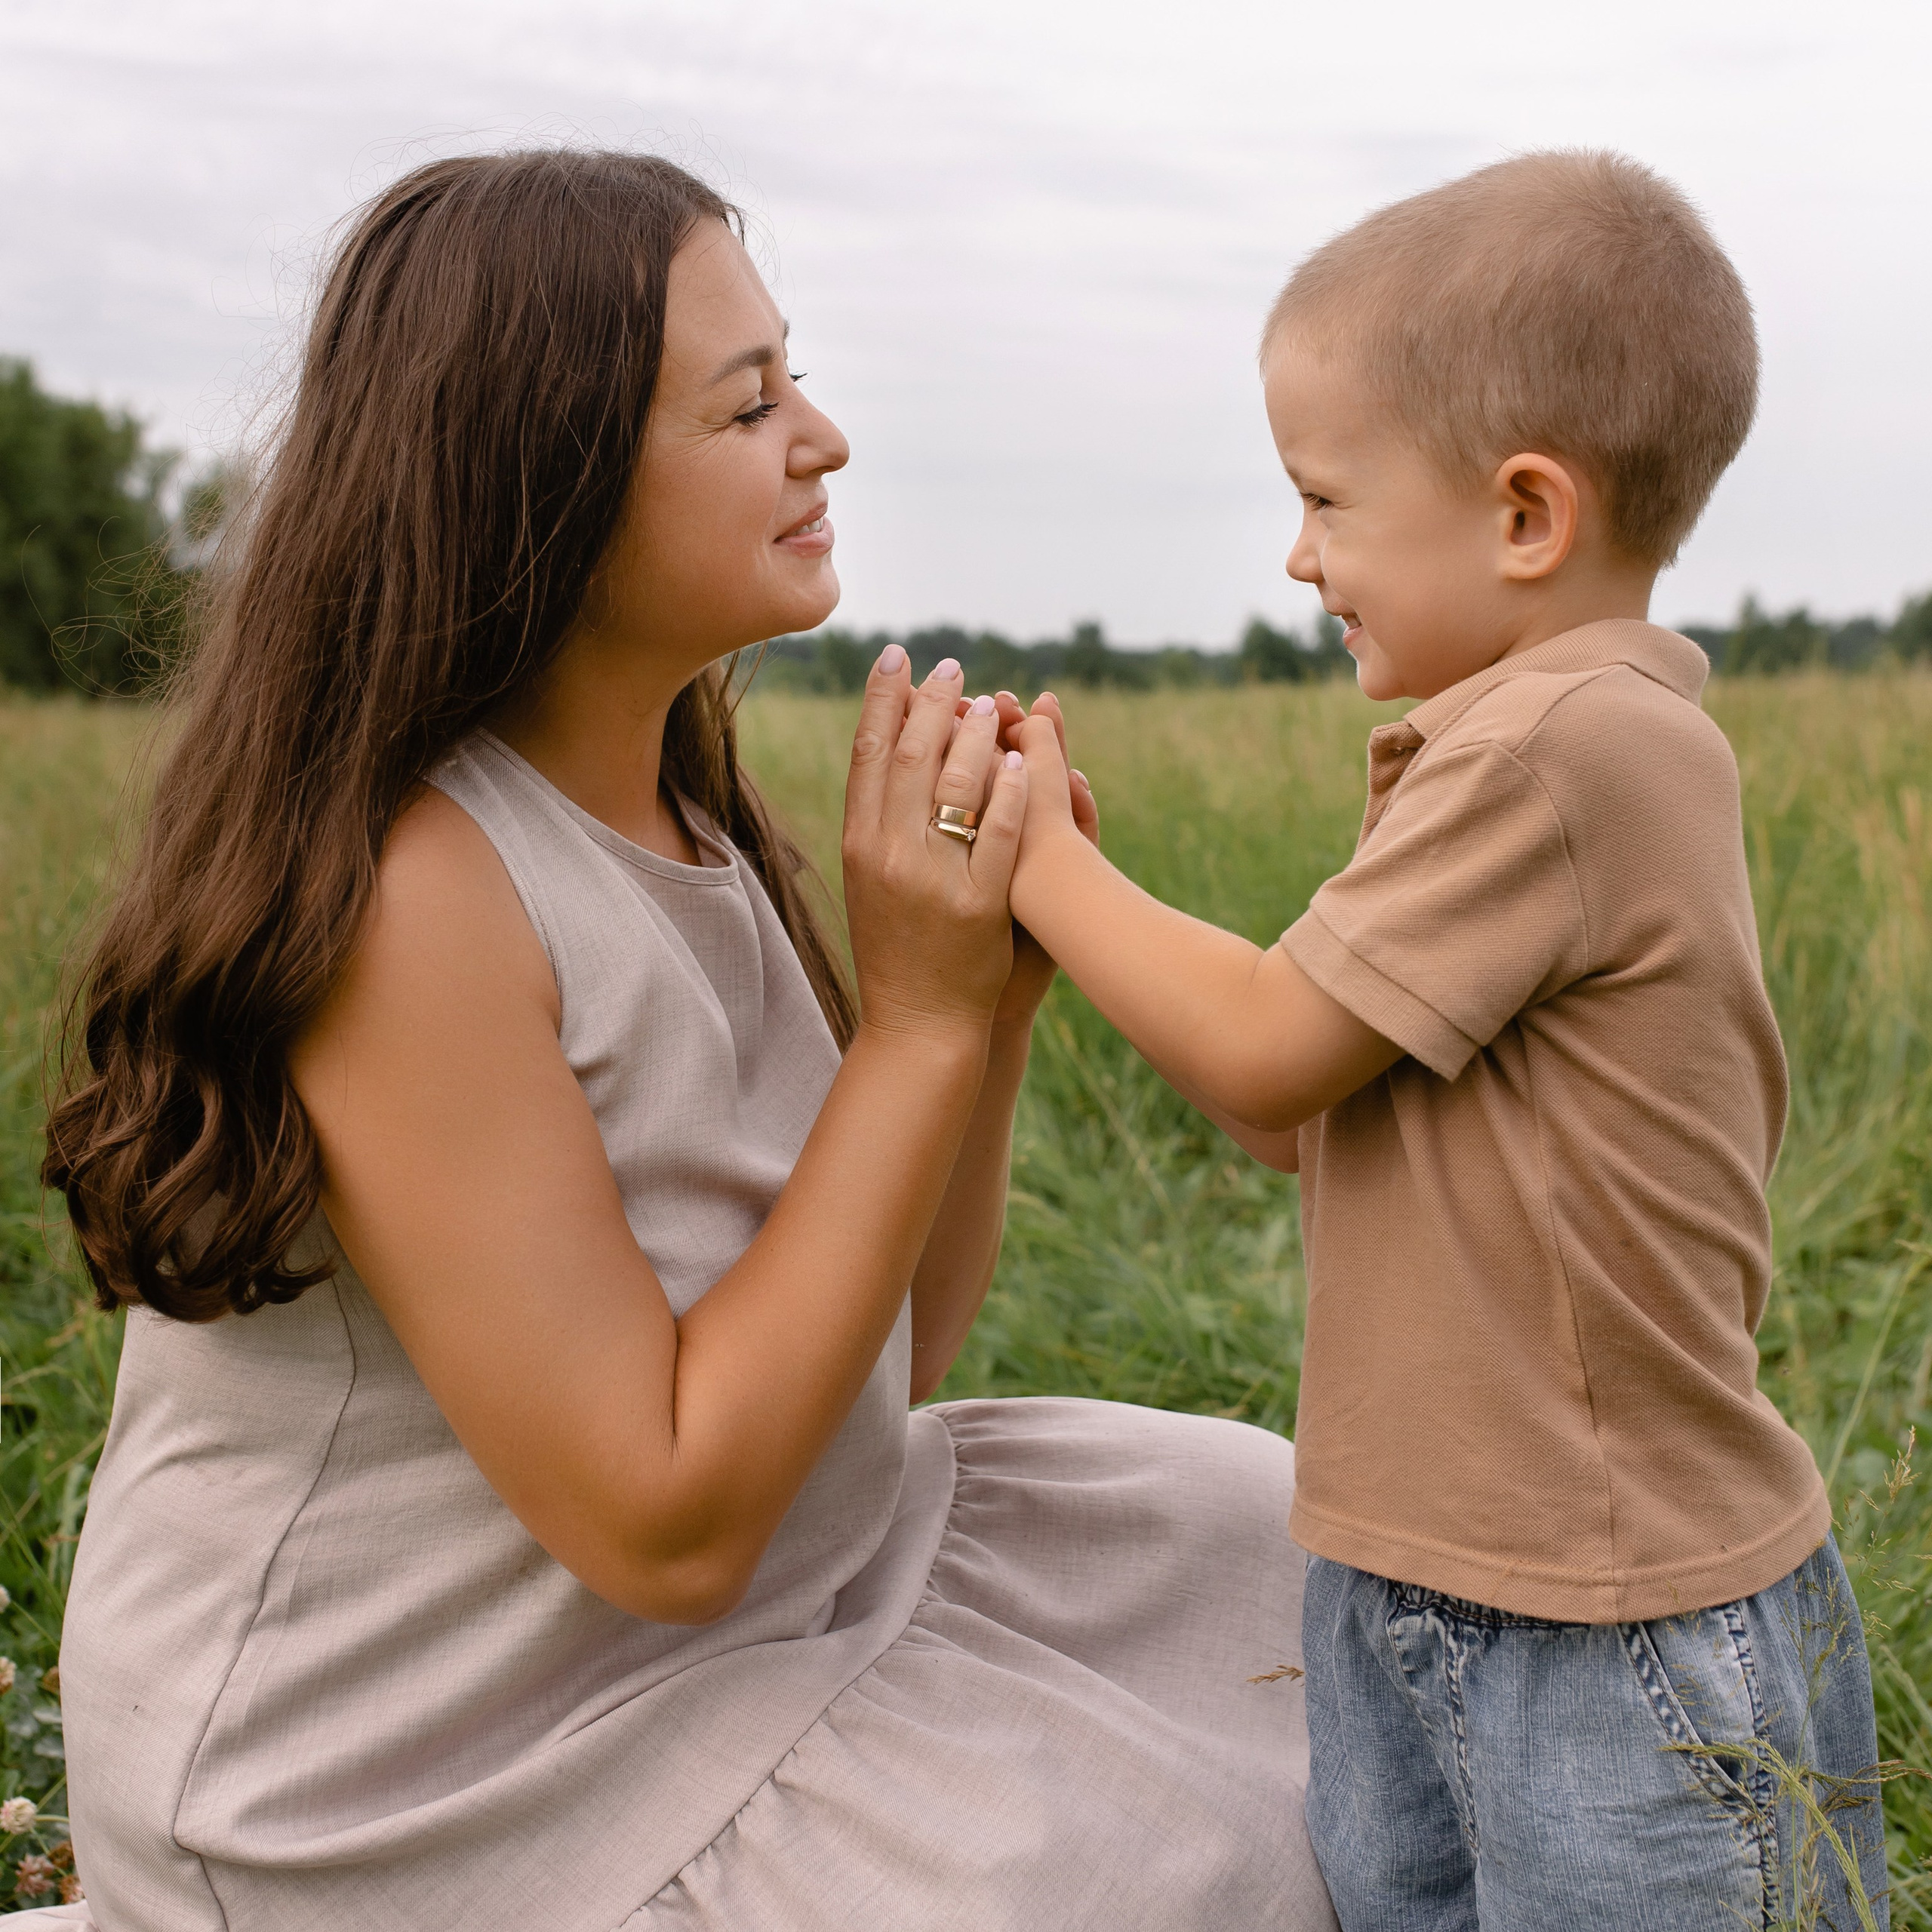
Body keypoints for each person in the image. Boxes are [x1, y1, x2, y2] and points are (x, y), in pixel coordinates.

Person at [38, 152, 1336, 1930]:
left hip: (710, 1606)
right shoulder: (412, 896)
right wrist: (914, 1028)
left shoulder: (682, 811)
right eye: (747, 404)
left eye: (794, 378)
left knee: (1274, 1543)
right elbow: (664, 1521)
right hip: (423, 1768)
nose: (824, 438)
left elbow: (882, 1361)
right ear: (545, 479)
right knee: (1154, 1864)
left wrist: (972, 1016)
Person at [995, 152, 1888, 1930]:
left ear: (1522, 515)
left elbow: (1263, 1049)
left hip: (1601, 1620)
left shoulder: (1556, 751)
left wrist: (1039, 861)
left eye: (1324, 497)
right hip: (1420, 1562)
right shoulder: (1515, 747)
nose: (1297, 552)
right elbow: (1302, 1110)